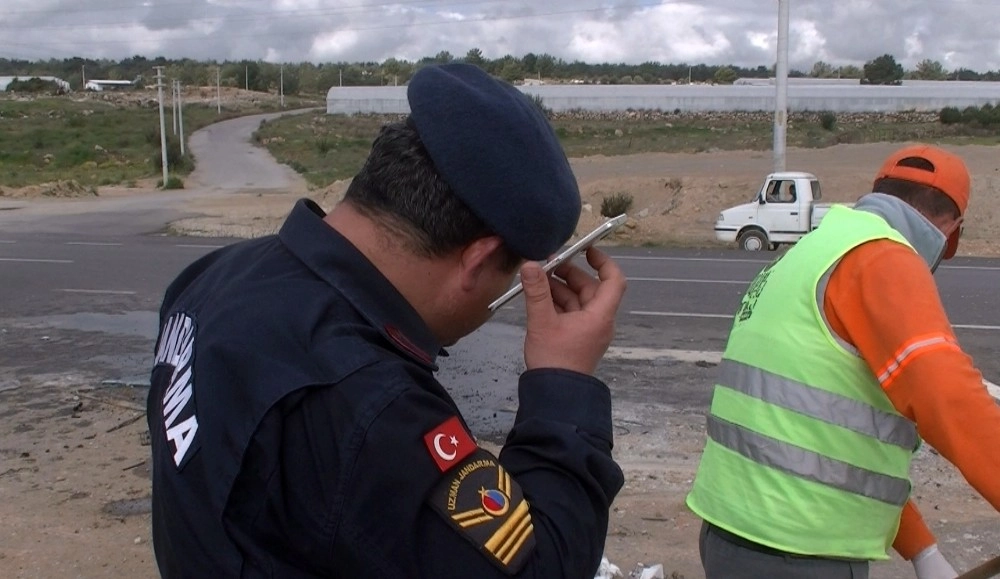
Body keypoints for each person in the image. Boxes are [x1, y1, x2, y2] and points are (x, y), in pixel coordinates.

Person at [146, 63, 628, 578]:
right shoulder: (368, 405)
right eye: (508, 283)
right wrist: (564, 388)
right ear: (477, 259)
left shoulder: (215, 276)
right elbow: (540, 567)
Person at [686, 144, 1000, 579]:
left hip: (736, 536)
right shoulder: (884, 258)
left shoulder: (813, 253)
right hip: (798, 553)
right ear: (951, 231)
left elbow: (829, 443)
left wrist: (922, 550)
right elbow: (948, 398)